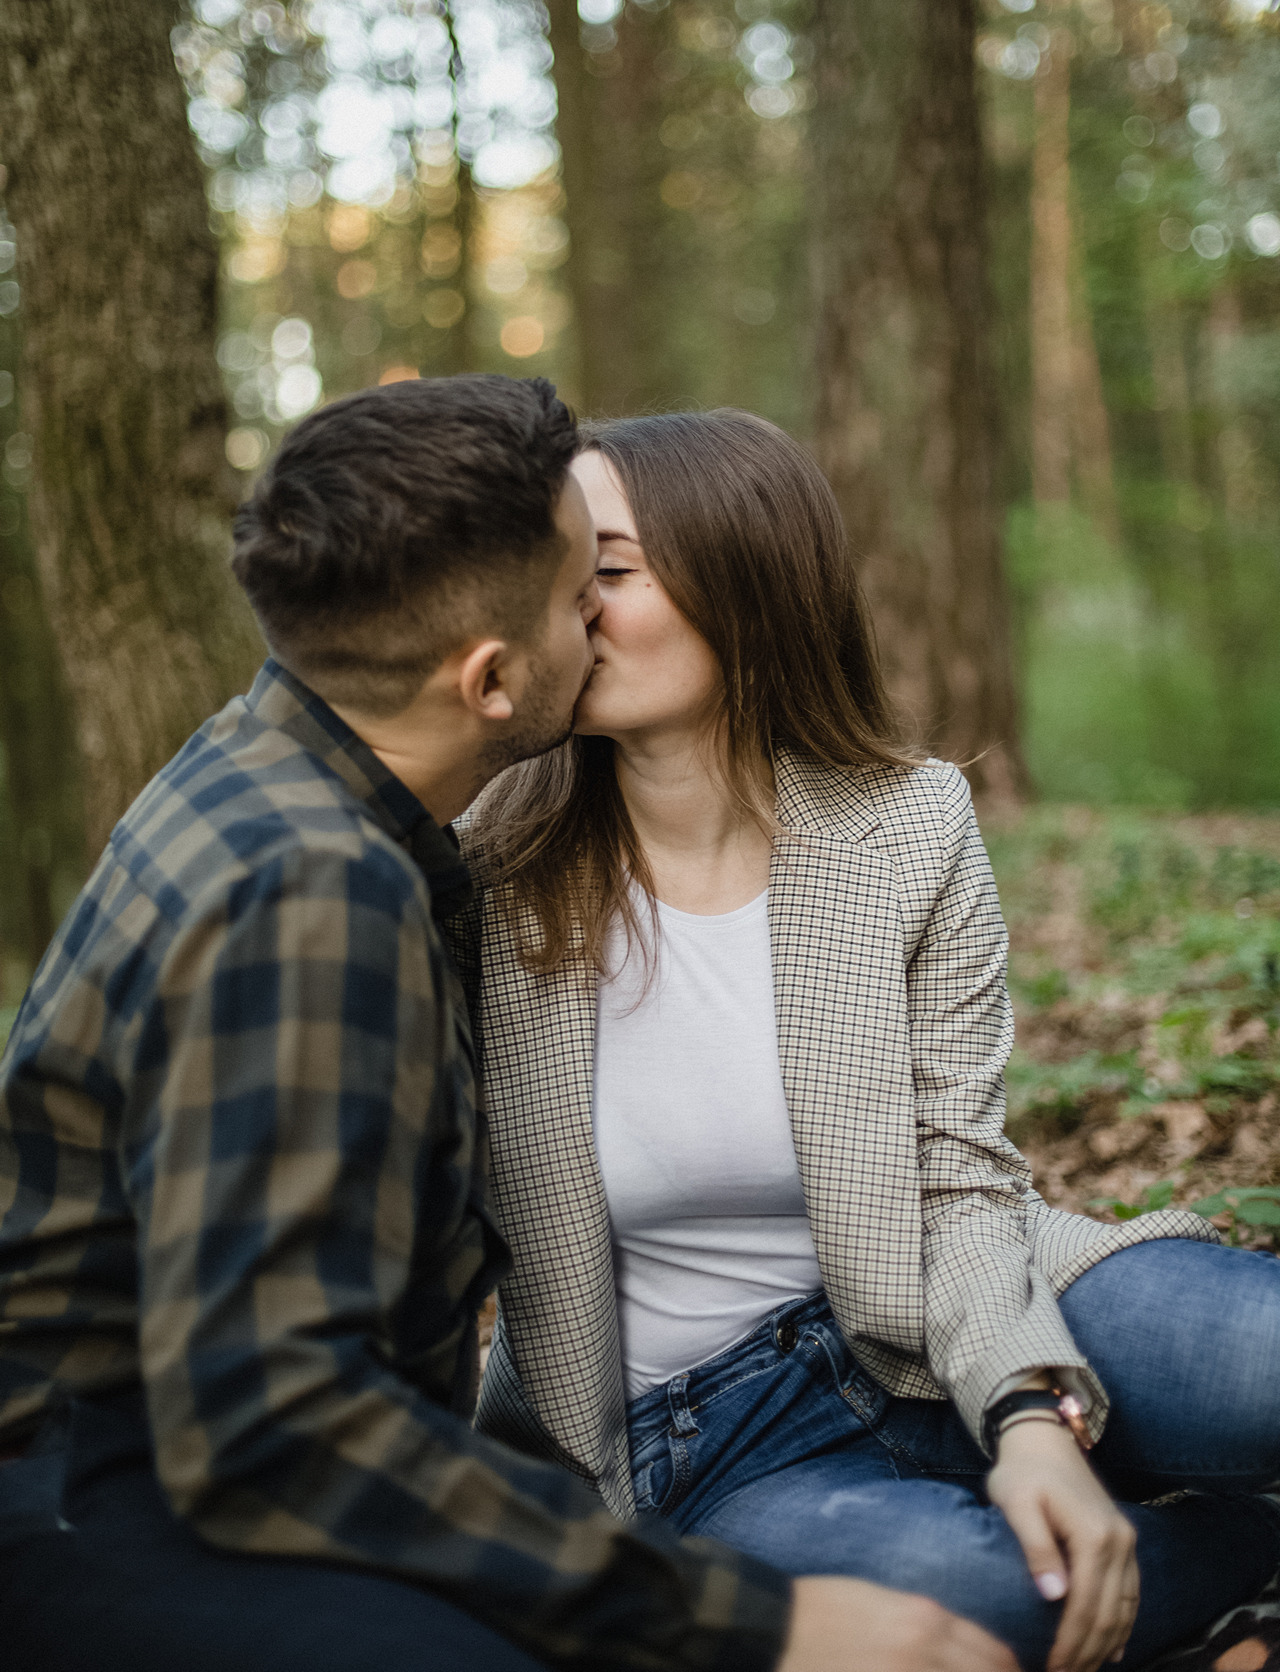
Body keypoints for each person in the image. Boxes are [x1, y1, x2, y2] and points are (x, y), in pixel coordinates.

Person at [0, 376, 1017, 1672]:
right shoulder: (316, 892)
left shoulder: (274, 772)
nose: (602, 624)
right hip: (94, 1499)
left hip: (165, 1453)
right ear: (491, 681)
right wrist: (756, 1624)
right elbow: (271, 1425)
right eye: (575, 599)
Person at [458, 407, 1280, 1672]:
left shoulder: (904, 825)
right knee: (984, 1606)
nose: (565, 609)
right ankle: (1233, 1567)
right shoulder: (485, 874)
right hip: (700, 1442)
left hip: (946, 1299)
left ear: (741, 576)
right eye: (554, 573)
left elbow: (958, 1176)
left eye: (606, 572)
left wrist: (1024, 1406)